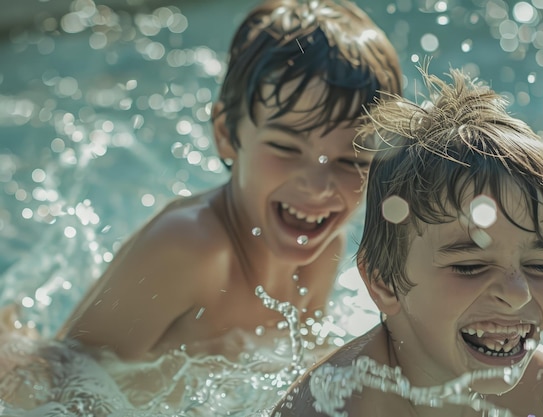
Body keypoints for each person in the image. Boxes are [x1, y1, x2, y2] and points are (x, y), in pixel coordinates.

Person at [55, 0, 402, 361]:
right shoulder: (190, 248)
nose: (318, 187)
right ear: (226, 133)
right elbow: (63, 375)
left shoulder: (325, 249)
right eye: (285, 147)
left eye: (352, 160)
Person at [271, 67, 543, 417]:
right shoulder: (336, 407)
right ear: (383, 281)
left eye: (541, 265)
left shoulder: (541, 393)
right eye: (470, 266)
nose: (517, 293)